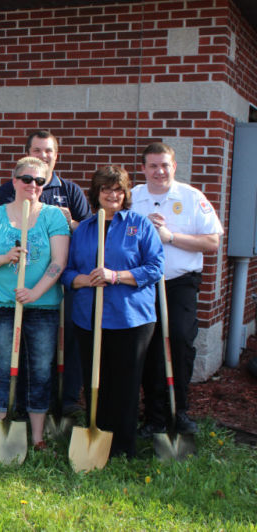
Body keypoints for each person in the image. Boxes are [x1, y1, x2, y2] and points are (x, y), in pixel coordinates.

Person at [62, 166, 164, 458]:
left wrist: (116, 276)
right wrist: (82, 279)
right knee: (97, 380)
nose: (113, 194)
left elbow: (155, 268)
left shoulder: (139, 225)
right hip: (89, 317)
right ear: (96, 193)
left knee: (126, 383)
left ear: (125, 193)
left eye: (118, 189)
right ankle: (99, 435)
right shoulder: (84, 230)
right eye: (106, 189)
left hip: (131, 318)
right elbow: (68, 272)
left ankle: (123, 446)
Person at [0, 156, 69, 449]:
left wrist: (35, 292)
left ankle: (37, 436)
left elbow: (59, 261)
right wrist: (5, 257)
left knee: (39, 370)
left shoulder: (53, 216)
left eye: (39, 181)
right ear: (14, 182)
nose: (33, 185)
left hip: (43, 307)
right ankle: (2, 428)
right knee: (3, 367)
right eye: (26, 179)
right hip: (1, 305)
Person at [0, 130, 92, 416]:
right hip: (26, 279)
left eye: (48, 150)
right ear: (27, 153)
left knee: (68, 340)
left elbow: (87, 233)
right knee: (28, 344)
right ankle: (30, 402)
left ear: (56, 155)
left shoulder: (70, 190)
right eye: (37, 150)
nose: (43, 156)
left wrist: (70, 221)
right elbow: (5, 227)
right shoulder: (10, 188)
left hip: (63, 278)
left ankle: (68, 400)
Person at [131, 142, 223, 436]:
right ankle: (153, 418)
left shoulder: (191, 197)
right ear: (143, 168)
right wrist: (144, 232)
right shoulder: (132, 198)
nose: (159, 171)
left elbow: (212, 242)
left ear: (174, 166)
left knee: (180, 343)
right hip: (143, 284)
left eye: (165, 165)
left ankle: (178, 412)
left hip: (180, 283)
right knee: (147, 347)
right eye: (153, 166)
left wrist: (170, 237)